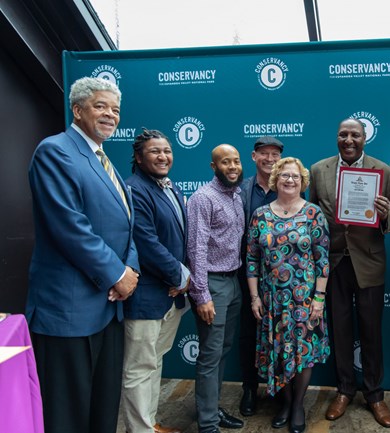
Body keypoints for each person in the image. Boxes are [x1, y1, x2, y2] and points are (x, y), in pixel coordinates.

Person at [26, 76, 139, 433]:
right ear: (77, 110)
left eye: (116, 110)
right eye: (100, 106)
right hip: (69, 312)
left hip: (109, 310)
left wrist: (130, 270)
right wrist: (117, 275)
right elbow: (69, 227)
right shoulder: (55, 151)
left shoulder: (106, 161)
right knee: (68, 417)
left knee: (102, 413)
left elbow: (126, 227)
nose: (110, 115)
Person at [310, 118, 390, 428]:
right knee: (340, 330)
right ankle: (344, 390)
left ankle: (375, 395)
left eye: (355, 135)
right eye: (343, 134)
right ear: (337, 137)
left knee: (372, 331)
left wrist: (387, 214)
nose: (349, 140)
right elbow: (309, 213)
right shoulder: (319, 170)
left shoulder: (383, 170)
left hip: (369, 262)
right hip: (333, 263)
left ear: (365, 138)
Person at [247, 157, 330, 433]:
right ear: (275, 180)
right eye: (285, 176)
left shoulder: (313, 213)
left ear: (303, 181)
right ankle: (284, 402)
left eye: (295, 176)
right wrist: (255, 297)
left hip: (304, 299)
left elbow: (322, 261)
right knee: (278, 352)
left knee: (302, 354)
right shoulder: (260, 215)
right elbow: (251, 260)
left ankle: (297, 406)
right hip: (272, 301)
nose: (290, 180)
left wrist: (318, 298)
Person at [122, 128, 190, 433]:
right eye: (155, 152)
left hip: (170, 295)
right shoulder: (135, 189)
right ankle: (139, 430)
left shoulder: (167, 188)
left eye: (167, 151)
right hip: (147, 297)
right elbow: (146, 244)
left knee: (155, 362)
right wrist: (181, 275)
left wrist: (181, 279)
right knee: (138, 368)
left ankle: (148, 423)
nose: (163, 157)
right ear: (138, 157)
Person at [187, 144, 245, 433]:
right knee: (210, 355)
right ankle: (208, 425)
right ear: (213, 166)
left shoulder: (237, 195)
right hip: (212, 283)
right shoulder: (202, 198)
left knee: (222, 351)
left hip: (233, 282)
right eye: (225, 162)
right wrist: (201, 294)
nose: (233, 166)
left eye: (236, 161)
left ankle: (212, 408)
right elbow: (195, 249)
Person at [237, 136, 284, 416]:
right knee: (248, 335)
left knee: (281, 337)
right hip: (249, 277)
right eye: (264, 153)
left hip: (283, 281)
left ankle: (279, 390)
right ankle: (250, 389)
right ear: (253, 157)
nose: (269, 158)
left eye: (275, 153)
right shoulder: (240, 190)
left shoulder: (290, 187)